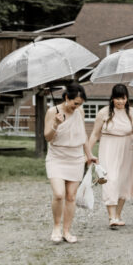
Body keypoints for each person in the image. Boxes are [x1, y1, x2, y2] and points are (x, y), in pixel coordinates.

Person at [86, 84, 133, 229]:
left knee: (123, 180)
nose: (120, 101)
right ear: (112, 99)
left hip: (126, 148)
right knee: (110, 179)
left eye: (123, 98)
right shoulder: (104, 113)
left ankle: (118, 214)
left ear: (127, 98)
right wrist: (87, 152)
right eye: (117, 98)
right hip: (108, 147)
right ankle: (111, 217)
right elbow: (95, 134)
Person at [43, 83, 93, 244]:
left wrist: (89, 154)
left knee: (71, 197)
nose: (77, 106)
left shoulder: (80, 112)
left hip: (76, 158)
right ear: (66, 97)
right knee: (59, 194)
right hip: (57, 156)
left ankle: (66, 231)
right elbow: (47, 137)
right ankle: (56, 227)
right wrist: (56, 124)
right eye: (75, 103)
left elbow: (83, 134)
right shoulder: (52, 112)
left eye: (80, 104)